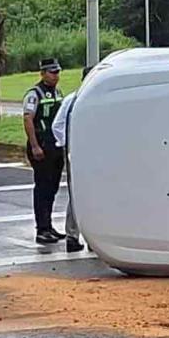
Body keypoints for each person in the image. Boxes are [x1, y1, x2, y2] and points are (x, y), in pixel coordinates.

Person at [23, 58, 65, 245]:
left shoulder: (57, 92)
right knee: (42, 188)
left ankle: (48, 226)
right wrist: (34, 145)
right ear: (43, 73)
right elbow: (28, 119)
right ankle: (42, 228)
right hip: (41, 145)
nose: (56, 76)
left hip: (55, 146)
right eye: (52, 72)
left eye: (57, 72)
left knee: (52, 188)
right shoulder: (34, 94)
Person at [52, 67, 92, 253]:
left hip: (97, 153)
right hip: (76, 153)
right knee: (77, 194)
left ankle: (94, 238)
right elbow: (57, 125)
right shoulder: (73, 100)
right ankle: (72, 235)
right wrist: (69, 146)